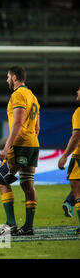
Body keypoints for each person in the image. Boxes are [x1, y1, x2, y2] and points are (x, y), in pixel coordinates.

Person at [0, 66, 40, 237]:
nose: (7, 80)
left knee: (1, 179)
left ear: (14, 78)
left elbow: (18, 123)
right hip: (33, 144)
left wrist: (7, 147)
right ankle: (28, 227)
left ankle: (11, 224)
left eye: (8, 77)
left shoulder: (18, 94)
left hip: (20, 144)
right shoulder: (33, 96)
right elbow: (37, 127)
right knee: (27, 184)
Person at [57, 86, 80, 235]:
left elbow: (76, 136)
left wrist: (64, 156)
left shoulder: (79, 112)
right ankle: (68, 202)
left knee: (77, 193)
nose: (77, 92)